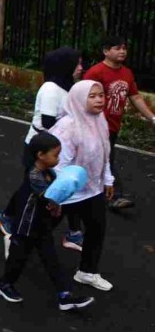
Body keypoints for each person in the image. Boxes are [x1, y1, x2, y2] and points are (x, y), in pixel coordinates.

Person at [0, 132, 95, 311]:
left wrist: (57, 207)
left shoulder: (50, 173)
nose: (58, 158)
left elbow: (53, 199)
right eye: (55, 154)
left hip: (41, 224)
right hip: (27, 225)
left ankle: (64, 295)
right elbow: (50, 197)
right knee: (19, 258)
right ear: (40, 155)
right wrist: (56, 203)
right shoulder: (34, 176)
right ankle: (3, 284)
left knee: (50, 258)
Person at [0, 47, 82, 237]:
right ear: (65, 66)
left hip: (55, 148)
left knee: (36, 186)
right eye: (78, 63)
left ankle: (70, 231)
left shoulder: (67, 87)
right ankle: (9, 219)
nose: (81, 67)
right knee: (31, 186)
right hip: (39, 148)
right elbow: (48, 123)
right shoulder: (51, 88)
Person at [49, 80, 115, 292]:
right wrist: (56, 197)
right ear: (78, 99)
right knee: (39, 230)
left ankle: (87, 271)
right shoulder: (67, 127)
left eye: (101, 95)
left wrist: (107, 179)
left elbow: (104, 153)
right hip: (67, 192)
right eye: (92, 96)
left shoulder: (99, 120)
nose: (99, 100)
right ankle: (15, 250)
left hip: (91, 191)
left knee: (97, 229)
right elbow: (57, 165)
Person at [83, 35, 155, 210]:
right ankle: (115, 196)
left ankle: (90, 192)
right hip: (96, 125)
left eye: (124, 48)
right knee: (107, 159)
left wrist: (152, 118)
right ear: (106, 51)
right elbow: (83, 97)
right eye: (117, 48)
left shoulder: (127, 73)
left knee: (99, 159)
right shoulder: (95, 72)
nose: (122, 51)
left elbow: (135, 97)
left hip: (113, 126)